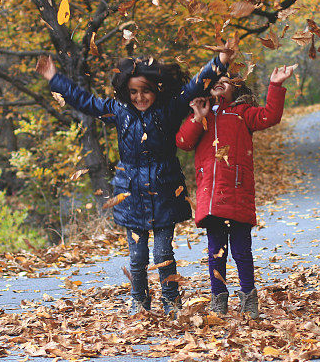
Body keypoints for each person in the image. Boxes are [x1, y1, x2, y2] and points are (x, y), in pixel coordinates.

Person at [37, 52, 230, 315]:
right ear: (125, 91)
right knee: (137, 258)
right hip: (131, 194)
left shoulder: (169, 109)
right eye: (133, 92)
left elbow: (196, 85)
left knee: (163, 254)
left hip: (165, 191)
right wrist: (53, 78)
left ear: (156, 90)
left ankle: (172, 304)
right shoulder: (118, 112)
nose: (139, 97)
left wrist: (220, 61)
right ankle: (139, 302)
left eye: (145, 91)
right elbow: (85, 101)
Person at [175, 64, 295, 319]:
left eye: (227, 80)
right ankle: (218, 298)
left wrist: (275, 85)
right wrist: (197, 117)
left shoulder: (242, 113)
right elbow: (183, 143)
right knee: (216, 251)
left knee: (241, 250)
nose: (221, 82)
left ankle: (248, 298)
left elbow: (270, 116)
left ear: (237, 87)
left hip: (238, 191)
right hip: (211, 196)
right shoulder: (201, 115)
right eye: (216, 79)